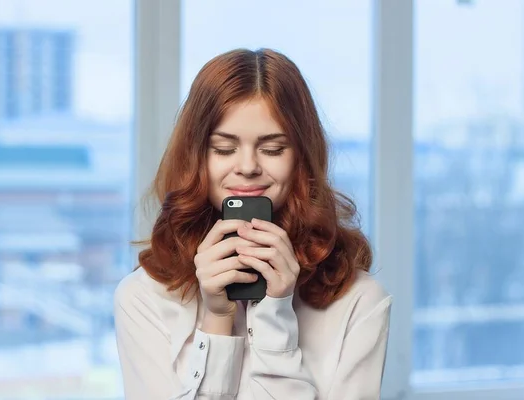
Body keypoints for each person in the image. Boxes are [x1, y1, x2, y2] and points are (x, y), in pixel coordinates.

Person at [114, 48, 392, 400]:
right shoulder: (142, 298)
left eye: (273, 149)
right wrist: (217, 319)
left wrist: (276, 312)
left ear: (302, 159)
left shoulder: (360, 302)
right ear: (196, 157)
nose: (247, 167)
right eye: (224, 149)